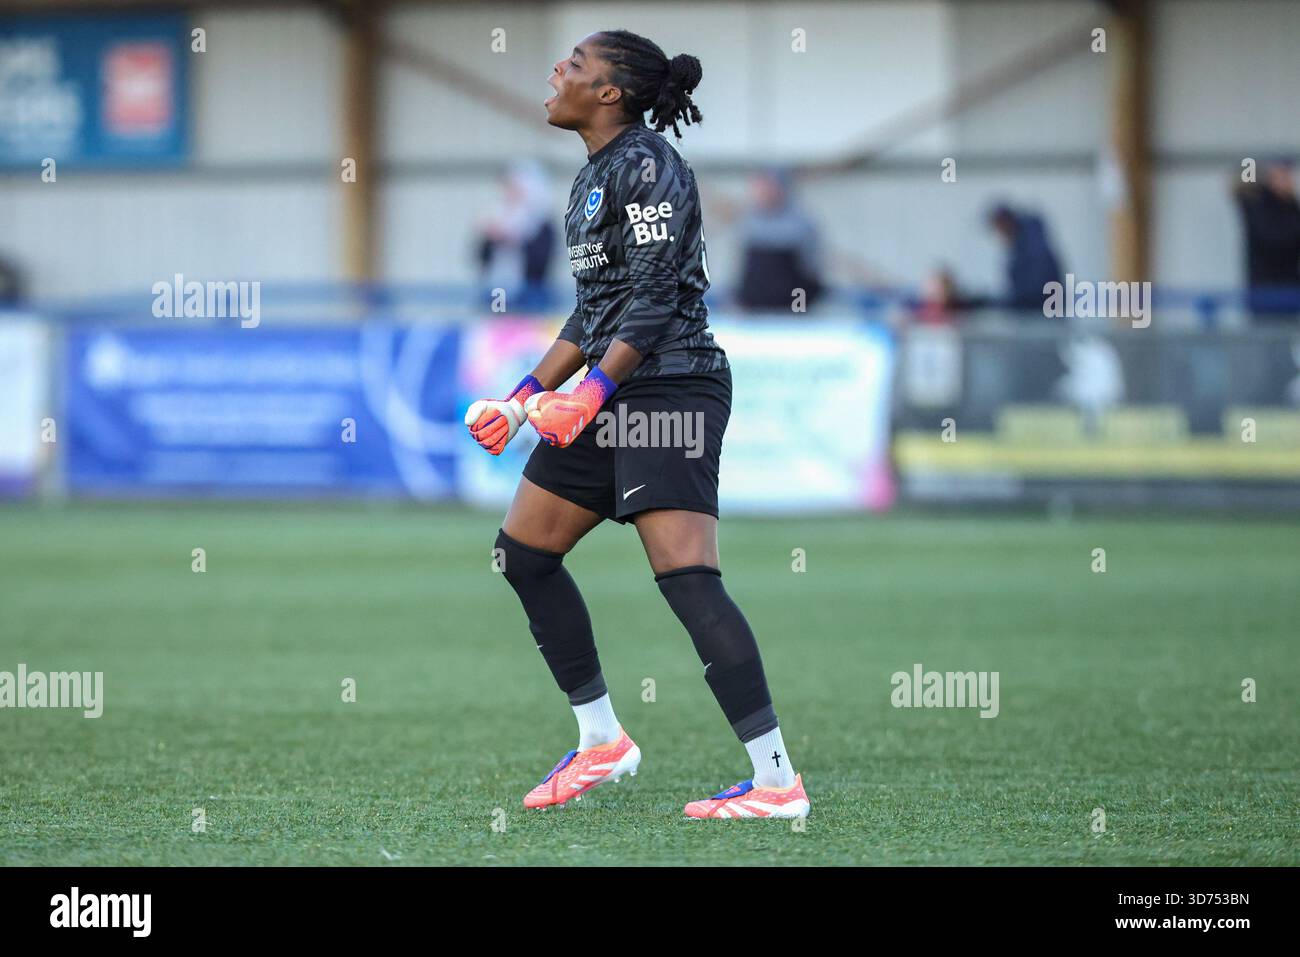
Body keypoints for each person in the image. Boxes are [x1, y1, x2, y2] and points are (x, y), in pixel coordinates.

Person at [463, 30, 809, 820]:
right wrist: (521, 398)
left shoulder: (651, 164)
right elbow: (595, 312)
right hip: (615, 391)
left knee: (686, 576)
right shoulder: (592, 176)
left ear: (611, 91)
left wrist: (585, 397)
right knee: (522, 552)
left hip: (671, 390)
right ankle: (601, 740)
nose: (556, 73)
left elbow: (654, 299)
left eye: (574, 66)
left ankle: (778, 780)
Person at [736, 169, 824, 311]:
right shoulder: (748, 223)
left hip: (791, 312)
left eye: (767, 187)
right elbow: (745, 274)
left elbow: (811, 273)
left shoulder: (801, 226)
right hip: (755, 315)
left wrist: (800, 308)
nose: (762, 193)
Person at [475, 161, 557, 312]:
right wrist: (491, 238)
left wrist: (517, 240)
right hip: (498, 288)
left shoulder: (542, 223)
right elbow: (481, 257)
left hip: (530, 291)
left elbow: (542, 262)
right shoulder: (495, 215)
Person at [1233, 159, 1300, 320]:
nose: (1289, 181)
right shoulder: (1257, 204)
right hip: (1265, 290)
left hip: (1289, 290)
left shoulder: (1290, 206)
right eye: (1282, 175)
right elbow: (1275, 240)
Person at [987, 203, 1064, 314]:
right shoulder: (1022, 249)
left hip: (1041, 315)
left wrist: (1007, 303)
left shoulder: (1033, 250)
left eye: (998, 229)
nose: (999, 235)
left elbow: (1035, 290)